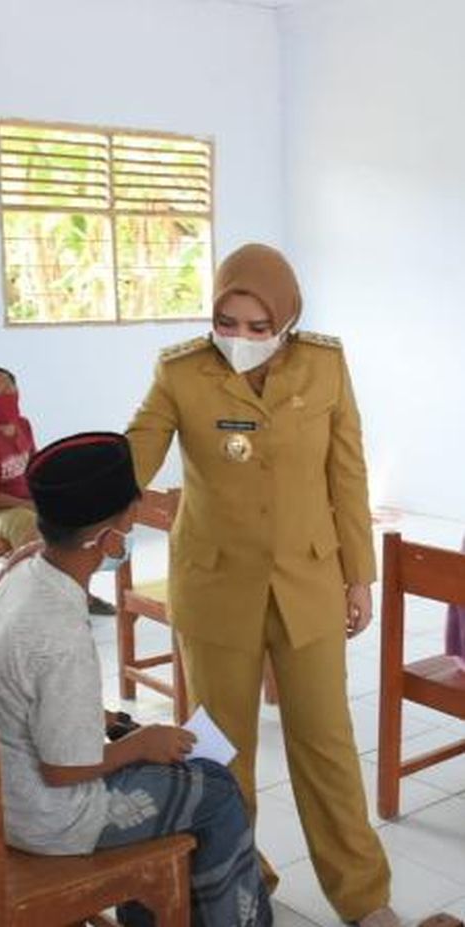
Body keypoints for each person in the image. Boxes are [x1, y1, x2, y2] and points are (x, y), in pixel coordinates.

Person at [125, 243, 396, 926]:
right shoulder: (181, 371)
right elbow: (135, 450)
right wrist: (71, 512)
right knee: (221, 752)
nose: (240, 339)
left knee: (327, 745)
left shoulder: (325, 364)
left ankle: (362, 897)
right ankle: (240, 882)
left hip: (308, 581)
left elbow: (347, 474)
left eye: (256, 325)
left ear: (286, 319)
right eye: (227, 322)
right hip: (216, 586)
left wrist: (358, 574)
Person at [0, 432, 272, 927]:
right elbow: (63, 770)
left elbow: (27, 696)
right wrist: (140, 743)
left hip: (1, 795)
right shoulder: (59, 630)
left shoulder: (23, 572)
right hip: (47, 816)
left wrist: (104, 721)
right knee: (217, 790)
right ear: (114, 533)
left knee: (193, 771)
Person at [0, 366, 114, 616]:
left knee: (80, 516)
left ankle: (79, 594)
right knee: (33, 524)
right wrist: (28, 505)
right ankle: (42, 600)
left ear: (17, 391)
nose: (2, 396)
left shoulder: (23, 425)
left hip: (27, 502)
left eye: (7, 389)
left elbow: (36, 467)